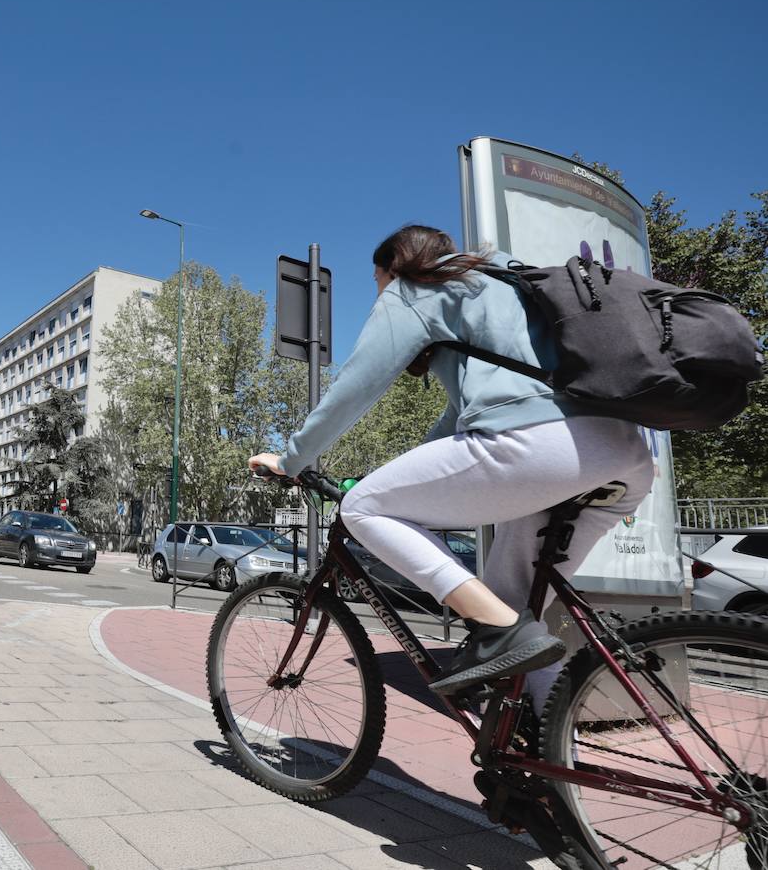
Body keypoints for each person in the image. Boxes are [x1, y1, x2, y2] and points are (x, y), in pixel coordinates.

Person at [248, 224, 653, 700]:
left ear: (391, 266)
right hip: (623, 455)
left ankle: (501, 632)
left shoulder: (417, 286)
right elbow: (455, 424)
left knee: (362, 508)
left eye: (376, 279)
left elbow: (355, 386)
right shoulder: (507, 281)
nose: (378, 289)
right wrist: (403, 468)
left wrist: (293, 458)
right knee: (518, 609)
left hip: (535, 444)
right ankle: (550, 759)